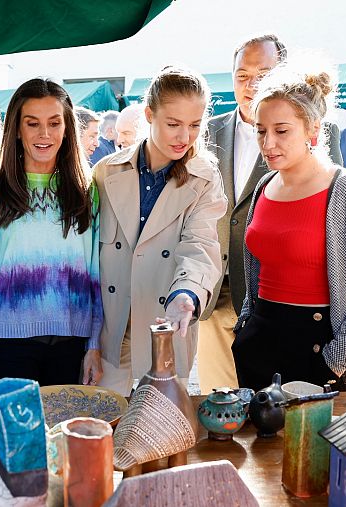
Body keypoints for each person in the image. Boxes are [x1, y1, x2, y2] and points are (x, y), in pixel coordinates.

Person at [233, 63, 346, 391]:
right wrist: (246, 328)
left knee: (317, 444)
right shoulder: (265, 185)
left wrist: (337, 358)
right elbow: (259, 268)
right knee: (258, 443)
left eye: (282, 131)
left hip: (323, 350)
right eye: (261, 130)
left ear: (313, 130)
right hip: (259, 344)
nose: (268, 143)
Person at [198, 34, 344, 392]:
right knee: (223, 410)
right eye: (242, 75)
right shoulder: (208, 131)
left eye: (262, 75)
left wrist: (335, 357)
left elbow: (332, 217)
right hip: (217, 298)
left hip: (294, 310)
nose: (251, 85)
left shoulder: (321, 142)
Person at [0, 78, 103, 391]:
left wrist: (94, 344)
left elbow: (96, 275)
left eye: (54, 123)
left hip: (72, 346)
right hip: (8, 348)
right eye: (33, 124)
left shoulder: (86, 190)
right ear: (16, 128)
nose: (44, 134)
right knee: (13, 440)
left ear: (67, 129)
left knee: (65, 440)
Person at [95, 66, 226, 395]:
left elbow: (200, 246)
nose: (185, 137)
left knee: (161, 433)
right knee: (105, 426)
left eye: (195, 125)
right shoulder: (104, 172)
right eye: (174, 124)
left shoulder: (205, 178)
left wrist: (187, 293)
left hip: (166, 327)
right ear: (149, 114)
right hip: (111, 328)